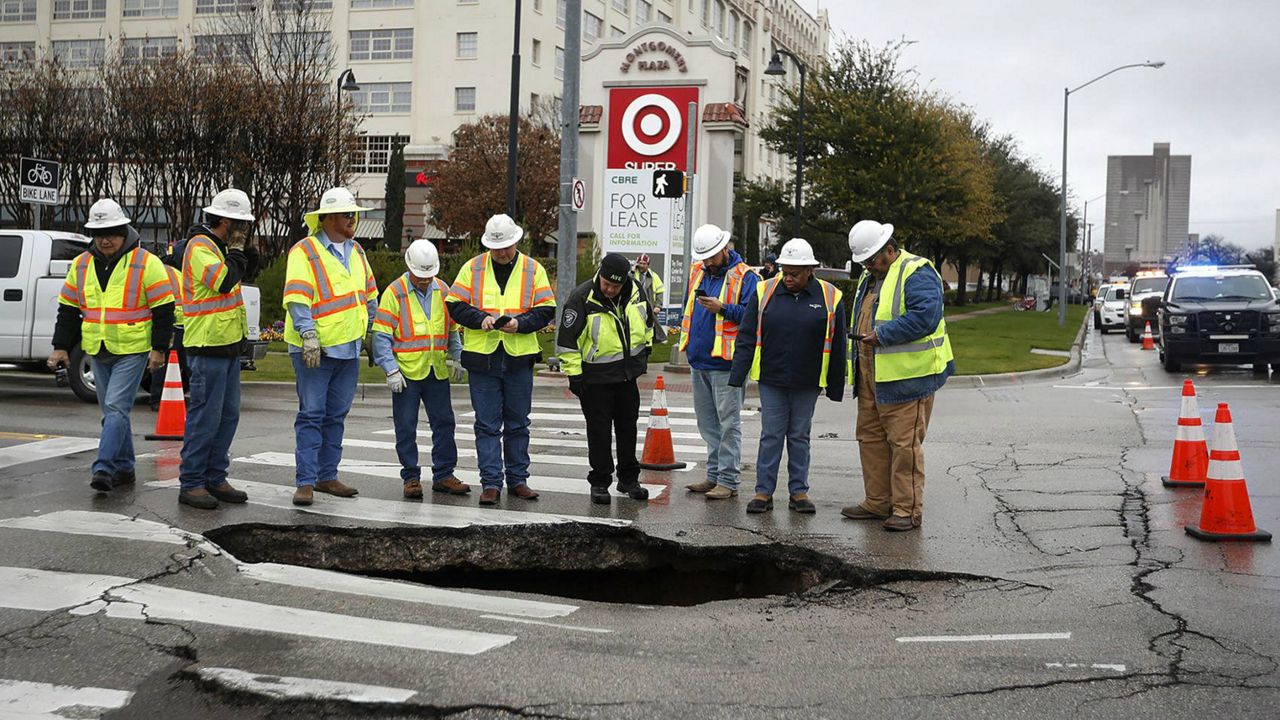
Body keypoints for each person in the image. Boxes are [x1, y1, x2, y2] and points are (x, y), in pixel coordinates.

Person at [49, 198, 174, 493]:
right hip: (98, 349)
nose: (105, 240)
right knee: (113, 413)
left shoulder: (146, 262)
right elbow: (67, 309)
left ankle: (103, 468)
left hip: (132, 349)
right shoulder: (81, 265)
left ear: (124, 230)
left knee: (116, 408)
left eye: (112, 233)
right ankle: (126, 467)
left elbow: (164, 309)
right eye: (99, 234)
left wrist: (158, 349)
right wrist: (60, 346)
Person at [842, 220, 954, 532]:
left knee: (904, 446)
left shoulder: (917, 271)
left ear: (889, 250)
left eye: (870, 260)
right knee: (871, 439)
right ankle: (878, 501)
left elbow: (925, 318)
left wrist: (883, 336)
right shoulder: (870, 276)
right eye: (863, 261)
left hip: (907, 378)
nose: (867, 266)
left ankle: (907, 510)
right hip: (871, 375)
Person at [729, 238, 846, 514]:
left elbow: (839, 344)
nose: (788, 278)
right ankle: (763, 492)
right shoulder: (764, 291)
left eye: (795, 273)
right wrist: (738, 375)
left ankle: (799, 492)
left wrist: (835, 386)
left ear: (810, 271)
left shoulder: (831, 297)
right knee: (771, 434)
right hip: (772, 378)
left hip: (808, 381)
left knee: (799, 436)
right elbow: (746, 336)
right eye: (784, 271)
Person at [446, 213, 556, 506]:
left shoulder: (533, 269)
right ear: (488, 245)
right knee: (487, 424)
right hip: (484, 359)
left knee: (518, 423)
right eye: (497, 248)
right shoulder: (473, 268)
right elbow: (454, 305)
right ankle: (491, 483)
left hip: (519, 358)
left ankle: (518, 479)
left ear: (516, 241)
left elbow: (546, 308)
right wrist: (480, 318)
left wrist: (520, 324)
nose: (502, 252)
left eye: (507, 246)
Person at [282, 187, 379, 507]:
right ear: (326, 218)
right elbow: (297, 298)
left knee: (336, 415)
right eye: (347, 214)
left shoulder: (358, 252)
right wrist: (308, 335)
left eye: (354, 214)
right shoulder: (305, 251)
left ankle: (327, 475)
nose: (353, 219)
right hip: (316, 351)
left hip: (348, 349)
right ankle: (305, 481)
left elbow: (370, 298)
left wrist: (374, 336)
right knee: (312, 414)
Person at [174, 188, 260, 509]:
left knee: (228, 415)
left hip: (226, 344)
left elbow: (239, 277)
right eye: (240, 224)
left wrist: (242, 253)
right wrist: (237, 251)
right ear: (224, 220)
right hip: (206, 343)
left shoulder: (220, 247)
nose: (243, 230)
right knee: (205, 417)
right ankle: (192, 481)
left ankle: (214, 476)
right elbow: (223, 281)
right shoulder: (200, 247)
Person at [372, 238, 468, 500]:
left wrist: (457, 356)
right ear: (409, 267)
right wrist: (390, 369)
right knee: (406, 427)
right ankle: (411, 478)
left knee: (445, 423)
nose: (425, 280)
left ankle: (444, 474)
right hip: (406, 373)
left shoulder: (443, 289)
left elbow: (451, 329)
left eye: (429, 275)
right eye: (420, 276)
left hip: (435, 371)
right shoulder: (395, 292)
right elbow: (381, 335)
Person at [557, 253, 656, 505]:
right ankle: (600, 482)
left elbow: (646, 324)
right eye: (606, 284)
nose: (610, 289)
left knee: (627, 427)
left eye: (615, 285)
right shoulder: (582, 297)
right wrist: (574, 375)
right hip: (595, 379)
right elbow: (567, 342)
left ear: (625, 281)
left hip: (626, 376)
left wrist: (645, 350)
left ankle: (629, 479)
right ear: (600, 275)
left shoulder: (635, 292)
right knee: (599, 432)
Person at [678, 223, 759, 500]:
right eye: (705, 257)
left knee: (728, 424)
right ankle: (713, 475)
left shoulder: (746, 277)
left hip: (727, 363)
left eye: (712, 256)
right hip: (699, 360)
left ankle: (728, 480)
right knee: (708, 424)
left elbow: (752, 316)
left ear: (725, 249)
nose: (708, 262)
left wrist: (722, 308)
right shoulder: (697, 271)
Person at [631, 252, 667, 346]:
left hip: (649, 306)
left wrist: (658, 306)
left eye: (644, 263)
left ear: (648, 265)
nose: (641, 265)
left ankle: (649, 345)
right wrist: (632, 271)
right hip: (635, 306)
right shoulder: (633, 274)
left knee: (649, 328)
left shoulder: (654, 276)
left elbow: (660, 292)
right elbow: (627, 281)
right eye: (640, 263)